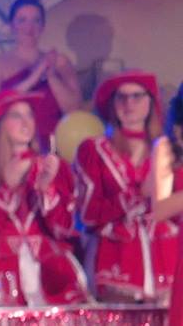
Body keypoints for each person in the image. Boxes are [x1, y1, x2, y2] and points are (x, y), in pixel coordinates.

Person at [0, 88, 89, 306]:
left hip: (49, 270)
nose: (26, 122)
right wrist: (6, 187)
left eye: (29, 115)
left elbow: (64, 228)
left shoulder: (53, 167)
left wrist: (46, 189)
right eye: (16, 115)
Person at [73, 72, 181, 304]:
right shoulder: (94, 150)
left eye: (137, 96)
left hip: (166, 259)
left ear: (151, 102)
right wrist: (138, 195)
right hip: (117, 259)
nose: (129, 104)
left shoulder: (168, 148)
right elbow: (88, 215)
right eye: (121, 97)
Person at [0, 0, 82, 148]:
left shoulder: (60, 62)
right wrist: (35, 75)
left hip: (55, 144)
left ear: (43, 26)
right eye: (22, 20)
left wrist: (51, 75)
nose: (29, 27)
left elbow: (73, 109)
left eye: (36, 20)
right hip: (13, 146)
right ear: (12, 25)